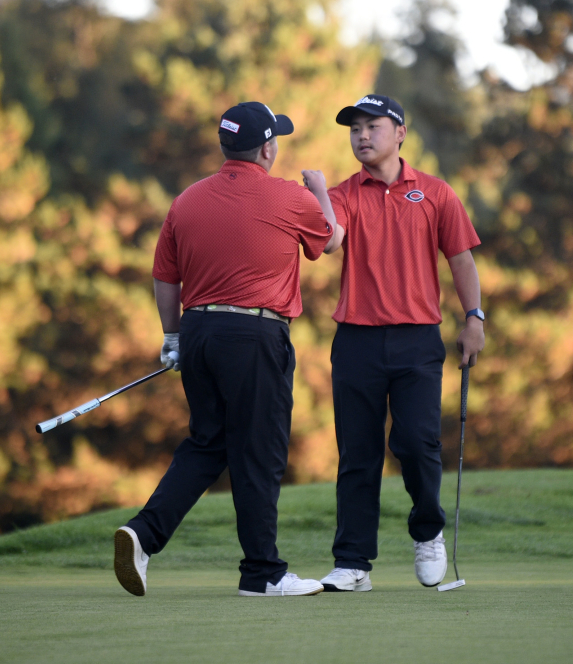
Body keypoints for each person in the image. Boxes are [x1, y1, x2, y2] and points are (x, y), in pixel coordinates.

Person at [113, 101, 338, 597]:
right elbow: (333, 240)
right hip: (255, 335)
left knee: (209, 442)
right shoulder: (289, 197)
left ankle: (143, 535)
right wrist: (320, 190)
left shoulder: (187, 200)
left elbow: (164, 278)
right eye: (274, 139)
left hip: (197, 334)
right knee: (258, 451)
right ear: (266, 148)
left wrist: (172, 336)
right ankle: (262, 575)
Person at [316, 94, 485, 592]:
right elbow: (330, 241)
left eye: (372, 126)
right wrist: (322, 193)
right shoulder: (346, 193)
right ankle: (353, 563)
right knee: (358, 454)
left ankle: (428, 531)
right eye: (354, 129)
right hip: (356, 342)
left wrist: (473, 317)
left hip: (417, 340)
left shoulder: (434, 193)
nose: (362, 136)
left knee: (416, 443)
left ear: (400, 133)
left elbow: (461, 260)